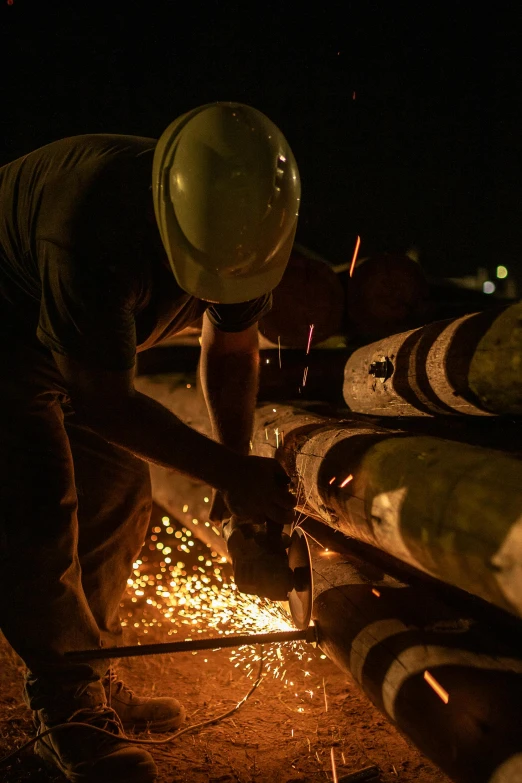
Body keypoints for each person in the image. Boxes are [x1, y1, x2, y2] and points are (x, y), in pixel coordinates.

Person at [0, 102, 301, 782]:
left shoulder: (244, 226)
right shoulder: (89, 226)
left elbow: (230, 352)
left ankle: (88, 676)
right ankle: (68, 709)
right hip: (5, 339)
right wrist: (232, 470)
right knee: (37, 513)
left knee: (121, 488)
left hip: (71, 345)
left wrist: (237, 479)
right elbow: (107, 403)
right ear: (168, 220)